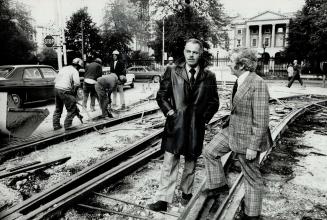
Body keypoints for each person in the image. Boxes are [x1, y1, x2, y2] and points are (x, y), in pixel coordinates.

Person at [148, 38, 220, 211]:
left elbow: (214, 101)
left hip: (196, 126)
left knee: (191, 162)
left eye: (195, 52)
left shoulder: (208, 75)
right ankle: (163, 199)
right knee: (170, 161)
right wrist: (170, 113)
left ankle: (186, 194)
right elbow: (162, 95)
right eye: (188, 51)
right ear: (184, 52)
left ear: (200, 53)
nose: (191, 55)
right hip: (176, 124)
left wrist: (203, 119)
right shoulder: (172, 71)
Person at [202, 48, 272, 220]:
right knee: (210, 151)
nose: (227, 64)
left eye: (230, 61)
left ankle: (252, 215)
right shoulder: (240, 80)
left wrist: (253, 147)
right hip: (233, 130)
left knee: (252, 177)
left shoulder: (257, 83)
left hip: (248, 139)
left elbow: (262, 119)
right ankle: (218, 185)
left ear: (241, 64)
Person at [53, 58, 84, 130]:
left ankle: (56, 125)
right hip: (65, 90)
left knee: (58, 108)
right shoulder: (75, 71)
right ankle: (68, 126)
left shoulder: (64, 68)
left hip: (57, 89)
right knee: (72, 108)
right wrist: (73, 94)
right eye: (79, 67)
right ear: (78, 66)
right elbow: (77, 84)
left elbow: (56, 80)